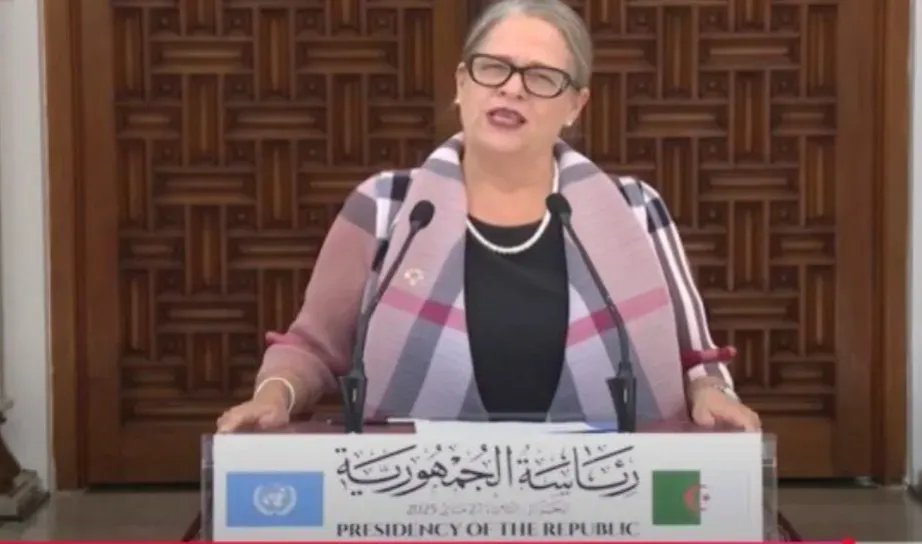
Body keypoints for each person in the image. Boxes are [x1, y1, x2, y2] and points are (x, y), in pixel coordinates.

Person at [217, 0, 760, 433]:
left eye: (541, 76)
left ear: (576, 105)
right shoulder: (388, 206)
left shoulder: (635, 207)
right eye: (493, 67)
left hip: (607, 496)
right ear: (461, 84)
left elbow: (696, 355)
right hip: (415, 500)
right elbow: (312, 347)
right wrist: (275, 395)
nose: (512, 87)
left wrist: (712, 391)